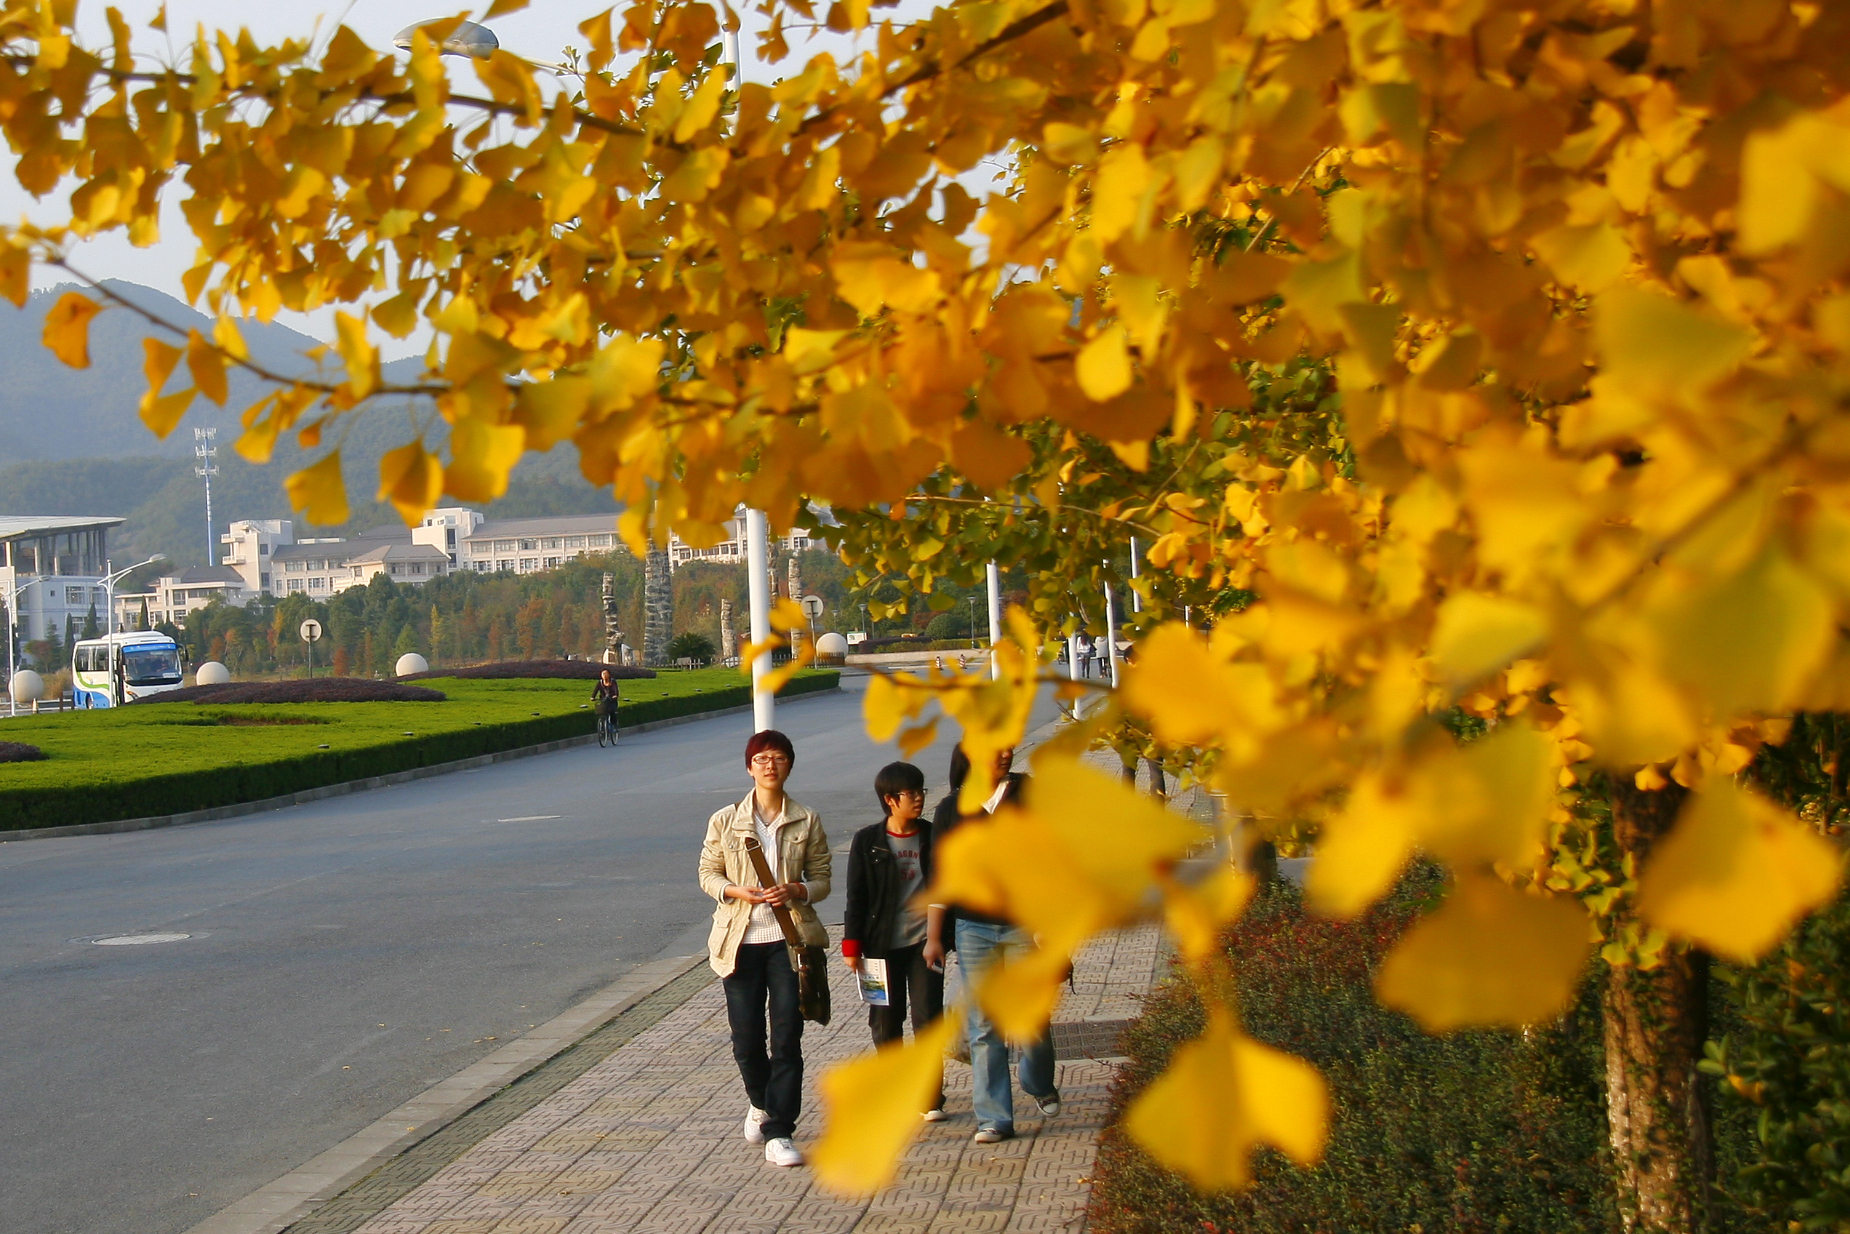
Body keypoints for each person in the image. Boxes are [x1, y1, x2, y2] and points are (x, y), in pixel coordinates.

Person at [697, 729, 831, 1168]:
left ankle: (780, 1130)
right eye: (761, 758)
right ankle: (760, 1101)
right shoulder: (725, 820)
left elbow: (822, 879)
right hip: (739, 942)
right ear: (749, 767)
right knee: (747, 1040)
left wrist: (797, 888)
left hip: (790, 942)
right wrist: (736, 891)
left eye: (778, 758)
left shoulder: (806, 820)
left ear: (789, 764)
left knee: (788, 1037)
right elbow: (707, 874)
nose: (769, 765)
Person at [928, 744, 1059, 1144]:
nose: (1002, 753)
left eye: (1007, 747)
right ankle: (994, 1118)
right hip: (974, 928)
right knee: (983, 1024)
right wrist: (934, 936)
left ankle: (1038, 1081)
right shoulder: (952, 809)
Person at [841, 761, 946, 1121]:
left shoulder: (934, 836)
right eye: (910, 794)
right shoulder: (867, 841)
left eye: (921, 792)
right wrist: (851, 946)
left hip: (924, 944)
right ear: (890, 799)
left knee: (928, 1017)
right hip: (878, 946)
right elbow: (856, 896)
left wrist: (943, 937)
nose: (918, 799)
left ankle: (930, 1096)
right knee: (885, 1021)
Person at [590, 667, 619, 739]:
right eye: (603, 674)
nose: (604, 675)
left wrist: (615, 696)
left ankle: (614, 726)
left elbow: (616, 690)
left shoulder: (613, 682)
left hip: (612, 701)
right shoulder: (600, 683)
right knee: (601, 711)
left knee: (612, 711)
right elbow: (595, 690)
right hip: (603, 701)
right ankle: (603, 727)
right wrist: (592, 697)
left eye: (606, 674)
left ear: (609, 675)